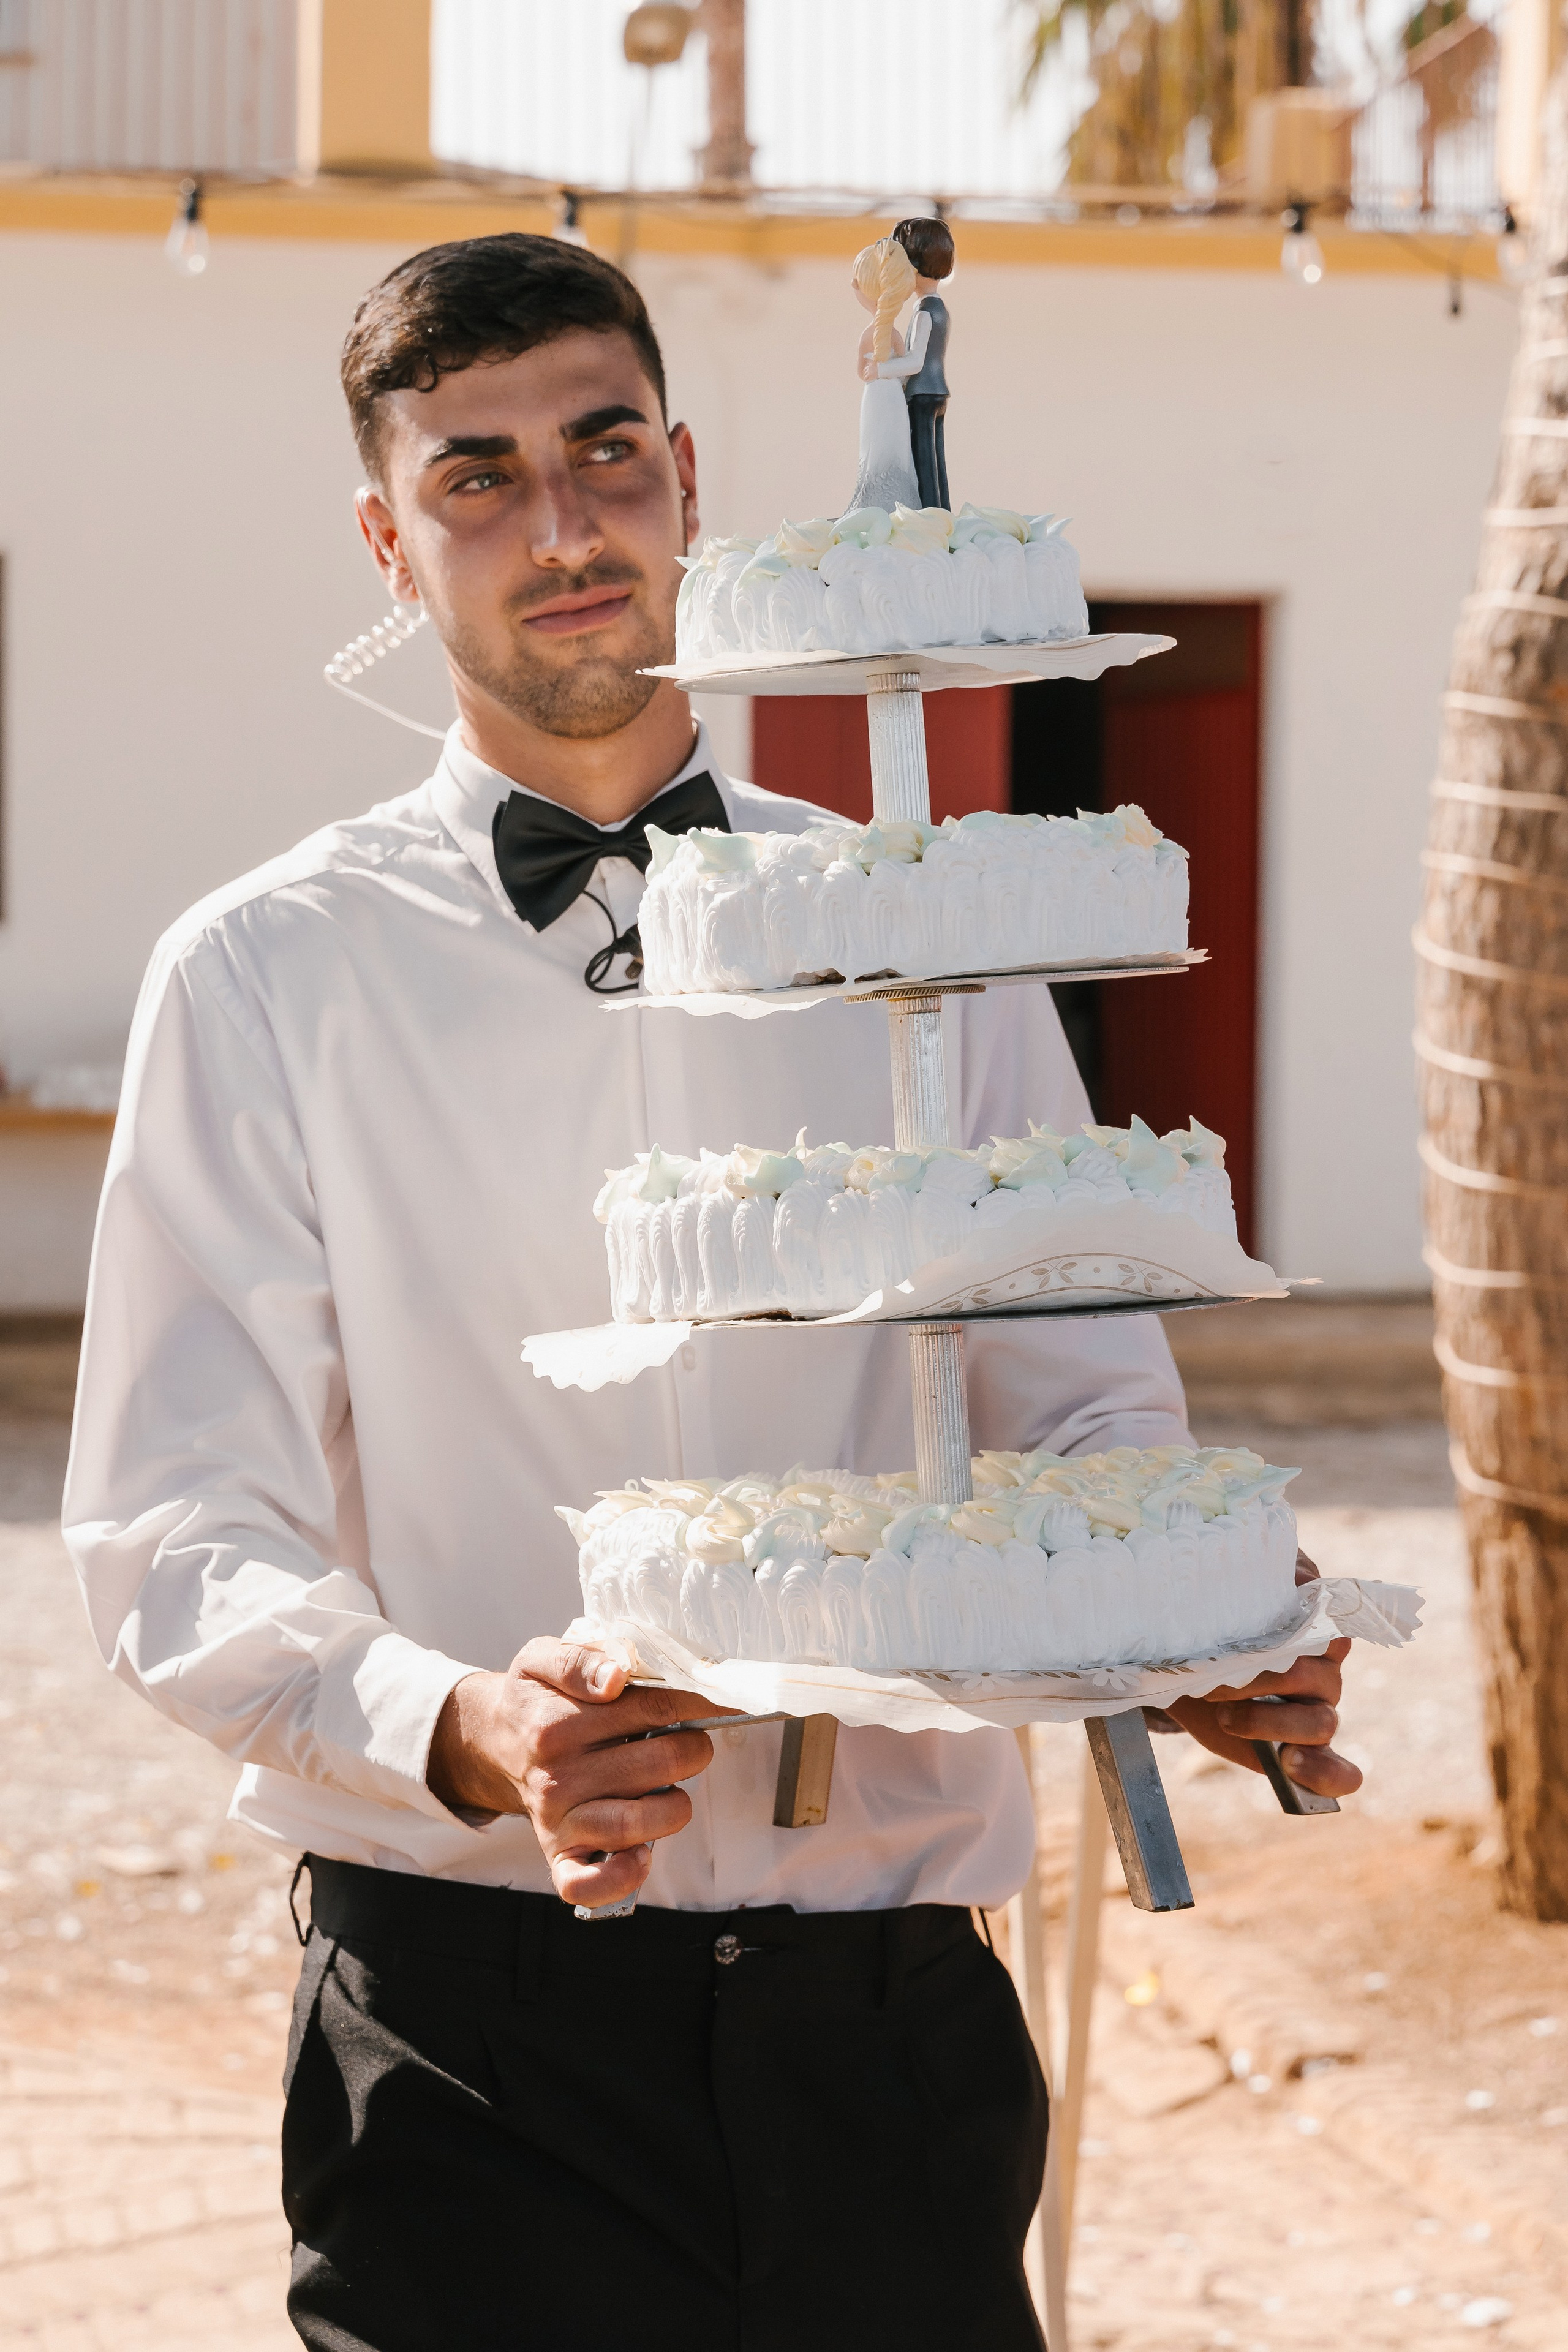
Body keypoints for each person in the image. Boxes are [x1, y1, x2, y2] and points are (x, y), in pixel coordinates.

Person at [62, 232, 1359, 2352]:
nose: (560, 528)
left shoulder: (932, 933)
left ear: (686, 474)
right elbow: (174, 1530)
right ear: (391, 545)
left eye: (602, 454)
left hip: (895, 2024)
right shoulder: (267, 976)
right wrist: (461, 1726)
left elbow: (1086, 1407)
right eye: (477, 478)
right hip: (476, 2044)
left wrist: (1189, 1640)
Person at [843, 233, 921, 514]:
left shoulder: (870, 334)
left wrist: (875, 373)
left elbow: (861, 371)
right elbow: (902, 365)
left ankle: (880, 497)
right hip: (890, 397)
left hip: (877, 396)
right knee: (889, 443)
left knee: (880, 443)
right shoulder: (893, 333)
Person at [891, 214, 954, 511]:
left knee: (924, 460)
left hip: (921, 394)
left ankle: (930, 517)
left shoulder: (924, 312)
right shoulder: (938, 308)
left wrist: (881, 369)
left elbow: (915, 361)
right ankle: (942, 513)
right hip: (938, 391)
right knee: (937, 459)